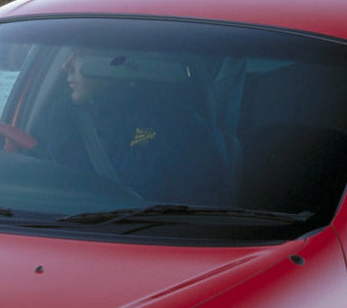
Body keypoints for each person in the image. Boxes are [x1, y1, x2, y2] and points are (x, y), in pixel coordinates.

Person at [52, 49, 234, 205]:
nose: (65, 65)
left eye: (80, 55)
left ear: (116, 62)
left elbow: (197, 217)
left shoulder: (183, 130)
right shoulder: (59, 120)